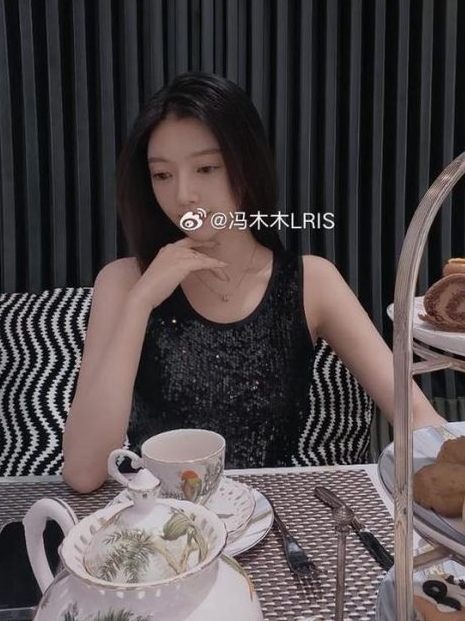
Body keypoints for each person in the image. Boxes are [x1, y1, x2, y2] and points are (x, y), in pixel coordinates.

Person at [62, 73, 443, 492]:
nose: (184, 194)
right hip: (160, 522)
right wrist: (141, 302)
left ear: (246, 166)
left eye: (206, 168)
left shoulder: (311, 281)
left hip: (272, 517)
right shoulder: (124, 282)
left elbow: (416, 414)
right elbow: (83, 472)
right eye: (162, 175)